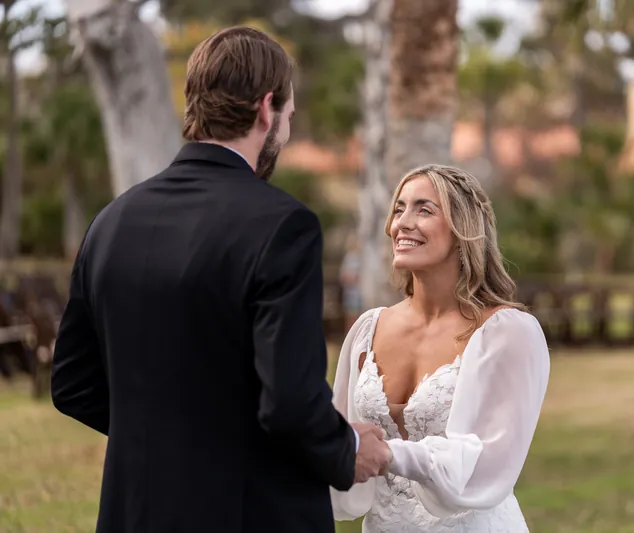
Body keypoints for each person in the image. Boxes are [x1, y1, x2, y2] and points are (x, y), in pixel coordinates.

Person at [50, 26, 390, 533]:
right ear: (265, 109)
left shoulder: (111, 221)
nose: (288, 132)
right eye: (289, 118)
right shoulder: (284, 227)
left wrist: (167, 440)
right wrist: (346, 450)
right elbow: (291, 403)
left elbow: (73, 383)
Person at [330, 164, 550, 531]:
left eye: (424, 209)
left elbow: (489, 461)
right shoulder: (368, 330)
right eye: (399, 209)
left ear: (463, 229)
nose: (402, 222)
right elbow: (339, 435)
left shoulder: (507, 333)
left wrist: (388, 453)